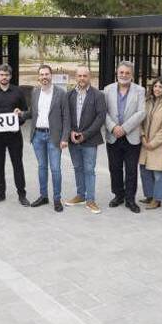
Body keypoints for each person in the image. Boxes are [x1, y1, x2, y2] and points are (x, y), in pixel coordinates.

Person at [17, 64, 70, 212]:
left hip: (54, 136)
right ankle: (43, 196)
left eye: (47, 74)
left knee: (55, 169)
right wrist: (21, 113)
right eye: (41, 75)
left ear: (51, 76)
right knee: (41, 167)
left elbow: (66, 118)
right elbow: (33, 112)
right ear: (38, 77)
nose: (44, 77)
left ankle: (57, 199)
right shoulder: (35, 92)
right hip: (38, 136)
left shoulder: (61, 93)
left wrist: (65, 138)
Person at [0, 64, 29, 206]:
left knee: (17, 164)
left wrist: (19, 121)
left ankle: (22, 194)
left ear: (10, 76)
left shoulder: (18, 92)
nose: (4, 77)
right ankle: (0, 193)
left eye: (6, 75)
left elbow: (24, 113)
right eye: (2, 74)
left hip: (14, 136)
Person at [103, 61, 146, 213]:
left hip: (131, 136)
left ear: (132, 75)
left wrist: (124, 128)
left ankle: (130, 199)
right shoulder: (107, 89)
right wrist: (114, 127)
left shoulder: (140, 90)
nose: (124, 75)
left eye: (127, 73)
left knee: (131, 170)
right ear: (117, 73)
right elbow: (104, 111)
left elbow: (141, 112)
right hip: (113, 135)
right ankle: (118, 195)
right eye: (121, 72)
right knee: (114, 168)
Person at [65, 66, 107, 214]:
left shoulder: (98, 95)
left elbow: (100, 117)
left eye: (85, 76)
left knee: (89, 170)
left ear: (90, 77)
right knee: (78, 168)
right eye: (79, 76)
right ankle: (80, 195)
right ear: (75, 77)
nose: (82, 78)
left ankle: (91, 200)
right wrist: (70, 132)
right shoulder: (69, 95)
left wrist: (85, 135)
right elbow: (66, 116)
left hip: (90, 140)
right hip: (73, 139)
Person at [139, 77, 162, 210]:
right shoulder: (147, 103)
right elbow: (140, 121)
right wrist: (143, 137)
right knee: (145, 171)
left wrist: (152, 143)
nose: (157, 89)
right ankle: (149, 195)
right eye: (155, 86)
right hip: (145, 143)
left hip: (159, 145)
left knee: (158, 173)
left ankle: (158, 199)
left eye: (160, 87)